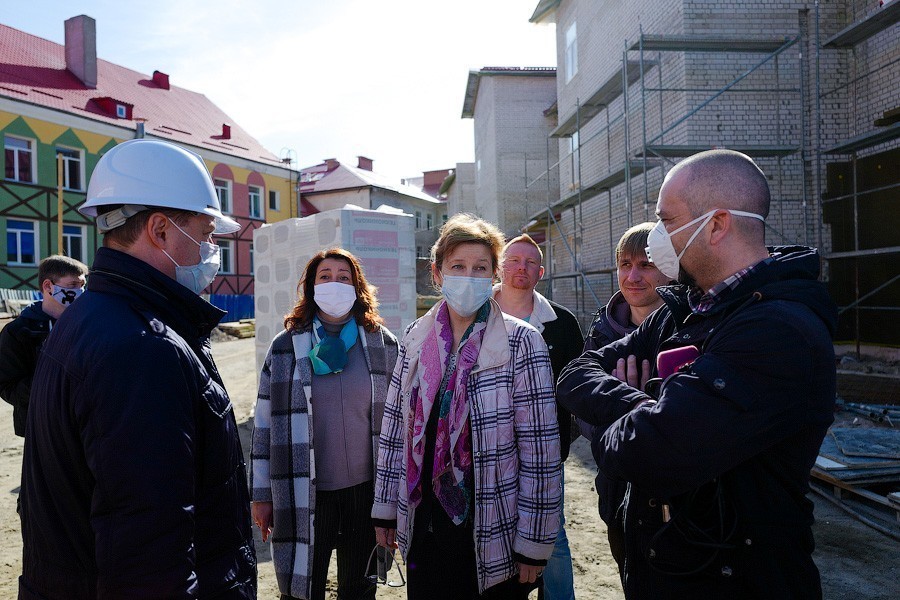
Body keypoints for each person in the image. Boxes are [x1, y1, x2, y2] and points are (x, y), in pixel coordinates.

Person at [557, 149, 837, 599]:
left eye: (666, 222)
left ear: (717, 224)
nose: (655, 240)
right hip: (664, 570)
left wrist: (645, 414)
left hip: (735, 581)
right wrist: (651, 405)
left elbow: (647, 452)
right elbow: (576, 372)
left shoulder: (778, 331)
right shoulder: (683, 310)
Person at [19, 139, 256, 599]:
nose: (212, 249)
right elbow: (148, 551)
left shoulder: (95, 318)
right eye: (206, 233)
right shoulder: (141, 348)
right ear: (161, 230)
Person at [372, 214, 561, 600]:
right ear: (437, 273)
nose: (469, 276)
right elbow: (394, 429)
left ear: (494, 275)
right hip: (424, 524)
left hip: (493, 532)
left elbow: (540, 450)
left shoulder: (522, 342)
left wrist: (534, 543)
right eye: (458, 266)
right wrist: (385, 511)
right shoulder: (415, 337)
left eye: (480, 268)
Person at [250, 248, 399, 600]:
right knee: (303, 588)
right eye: (325, 276)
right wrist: (260, 495)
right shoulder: (286, 347)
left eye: (344, 277)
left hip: (367, 491)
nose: (335, 283)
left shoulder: (382, 343)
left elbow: (400, 423)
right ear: (312, 287)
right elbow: (263, 424)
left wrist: (396, 497)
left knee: (361, 588)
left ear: (357, 287)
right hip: (304, 490)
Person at [493, 234, 582, 600]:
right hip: (486, 447)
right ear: (500, 266)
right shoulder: (477, 312)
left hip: (544, 451)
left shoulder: (561, 322)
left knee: (552, 535)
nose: (521, 268)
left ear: (540, 272)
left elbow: (578, 384)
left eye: (530, 263)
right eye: (513, 260)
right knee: (491, 531)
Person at [580, 222, 671, 577]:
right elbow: (581, 412)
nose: (632, 276)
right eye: (624, 264)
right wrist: (620, 412)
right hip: (616, 483)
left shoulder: (689, 328)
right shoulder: (602, 331)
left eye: (646, 265)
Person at [0, 254, 87, 438]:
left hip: (84, 425)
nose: (80, 292)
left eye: (83, 286)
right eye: (73, 286)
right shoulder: (18, 332)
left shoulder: (88, 325)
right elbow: (8, 387)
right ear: (48, 286)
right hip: (40, 430)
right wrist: (54, 382)